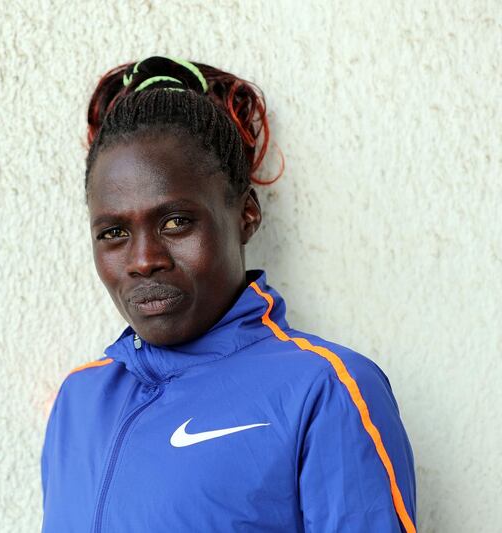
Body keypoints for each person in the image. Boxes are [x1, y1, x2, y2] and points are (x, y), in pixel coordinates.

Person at [40, 56, 416, 532]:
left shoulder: (325, 389)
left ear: (246, 216)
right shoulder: (79, 399)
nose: (143, 259)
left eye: (176, 222)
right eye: (114, 232)